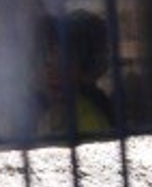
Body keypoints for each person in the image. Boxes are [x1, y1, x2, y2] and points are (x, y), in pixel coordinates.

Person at [36, 9, 113, 138]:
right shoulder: (49, 113)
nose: (55, 74)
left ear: (83, 68)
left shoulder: (89, 121)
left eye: (64, 65)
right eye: (47, 64)